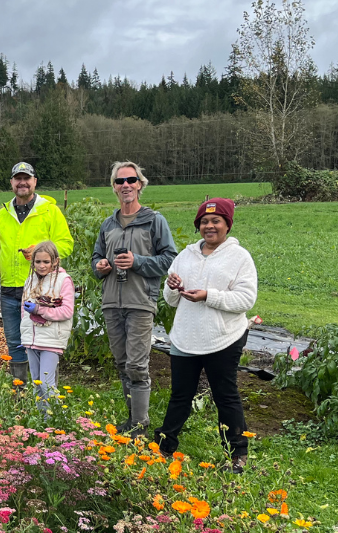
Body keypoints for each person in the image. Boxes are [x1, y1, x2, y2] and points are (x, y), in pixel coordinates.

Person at [155, 198, 257, 470]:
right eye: (204, 221)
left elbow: (246, 300)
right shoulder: (185, 255)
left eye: (216, 221)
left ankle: (237, 454)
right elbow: (170, 300)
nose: (209, 226)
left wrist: (208, 296)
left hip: (223, 337)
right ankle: (164, 446)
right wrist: (172, 287)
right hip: (186, 336)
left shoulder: (239, 257)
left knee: (225, 395)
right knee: (180, 395)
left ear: (227, 225)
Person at [92, 161, 177, 436]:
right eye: (120, 181)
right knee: (122, 364)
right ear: (114, 187)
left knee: (137, 365)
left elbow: (169, 260)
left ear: (140, 184)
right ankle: (132, 420)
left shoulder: (154, 220)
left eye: (131, 180)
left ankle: (140, 426)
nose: (125, 185)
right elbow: (96, 259)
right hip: (111, 303)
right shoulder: (108, 224)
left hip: (140, 302)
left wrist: (137, 261)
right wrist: (100, 266)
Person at [0, 162, 73, 385]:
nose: (22, 183)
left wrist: (41, 251)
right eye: (18, 178)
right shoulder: (2, 216)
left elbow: (66, 244)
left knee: (44, 341)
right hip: (9, 289)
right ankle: (20, 389)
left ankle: (47, 391)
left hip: (41, 290)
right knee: (15, 342)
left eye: (27, 178)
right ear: (12, 183)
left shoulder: (50, 212)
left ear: (34, 181)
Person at [19, 241, 75, 409]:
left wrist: (40, 310)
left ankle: (60, 418)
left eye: (46, 262)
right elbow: (24, 313)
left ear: (55, 261)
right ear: (32, 262)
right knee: (37, 383)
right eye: (38, 262)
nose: (41, 266)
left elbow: (67, 311)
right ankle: (43, 420)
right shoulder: (30, 280)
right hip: (31, 340)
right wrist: (25, 337)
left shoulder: (63, 281)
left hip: (51, 339)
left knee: (46, 383)